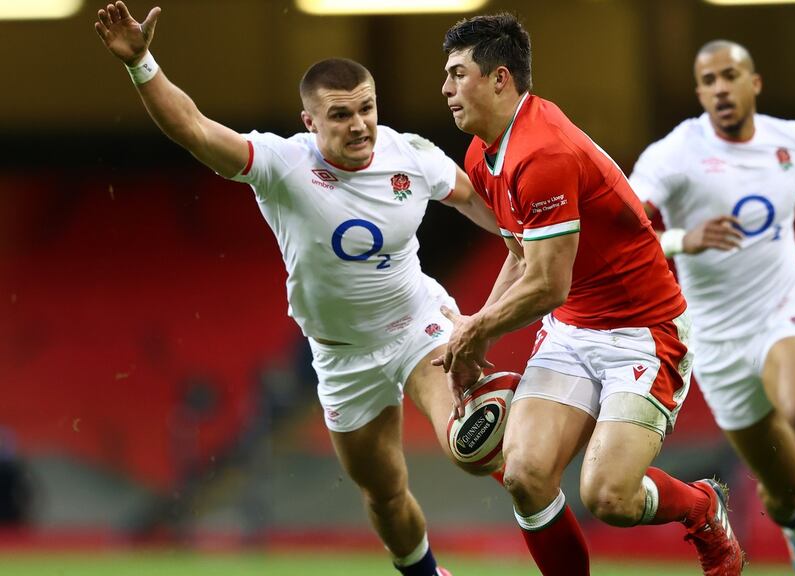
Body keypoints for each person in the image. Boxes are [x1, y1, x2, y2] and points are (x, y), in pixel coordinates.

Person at [95, 3, 501, 575]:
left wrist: (530, 243)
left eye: (367, 109)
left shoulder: (408, 153)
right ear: (310, 122)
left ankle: (503, 441)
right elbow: (192, 128)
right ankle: (426, 573)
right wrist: (141, 63)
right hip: (340, 358)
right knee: (384, 493)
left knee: (466, 439)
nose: (360, 125)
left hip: (417, 323)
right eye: (341, 115)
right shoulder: (283, 164)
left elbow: (474, 198)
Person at [437, 14, 744, 576]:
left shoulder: (542, 152)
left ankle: (703, 506)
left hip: (643, 334)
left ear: (500, 78)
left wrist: (475, 330)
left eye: (458, 74)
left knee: (610, 497)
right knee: (526, 475)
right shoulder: (484, 155)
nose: (447, 89)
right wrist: (474, 331)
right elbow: (520, 257)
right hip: (574, 329)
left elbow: (548, 282)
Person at [629, 40, 795, 576]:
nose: (720, 88)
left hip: (783, 309)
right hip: (718, 342)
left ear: (754, 83)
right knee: (783, 491)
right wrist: (683, 240)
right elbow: (625, 229)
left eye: (730, 75)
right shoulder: (673, 155)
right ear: (699, 92)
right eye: (709, 81)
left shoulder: (791, 141)